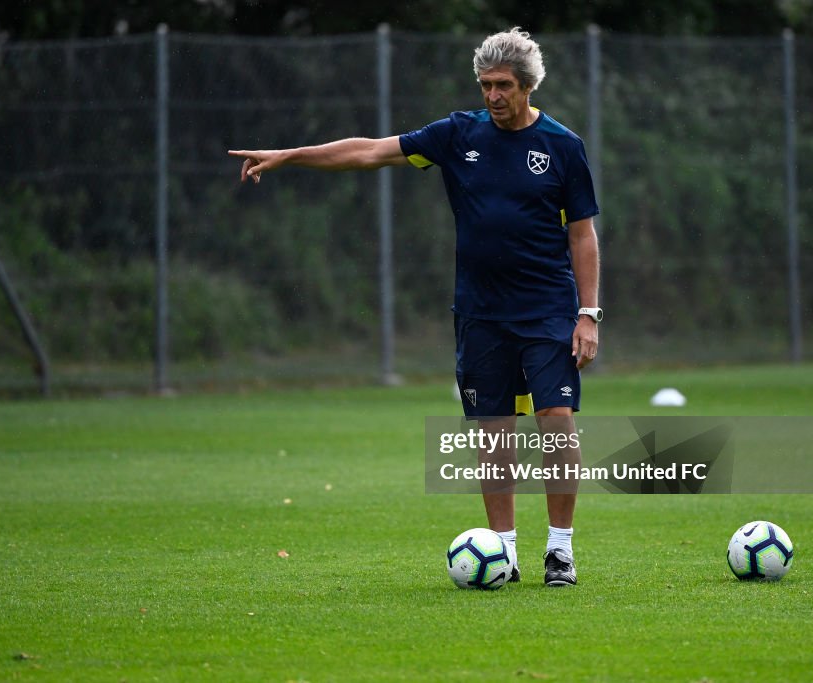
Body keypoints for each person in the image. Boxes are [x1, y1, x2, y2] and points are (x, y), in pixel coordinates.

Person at [228, 27, 600, 587]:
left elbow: (583, 236)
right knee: (493, 432)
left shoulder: (562, 146)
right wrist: (290, 156)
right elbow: (369, 152)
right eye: (485, 85)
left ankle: (560, 550)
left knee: (555, 421)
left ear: (528, 86)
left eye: (503, 86)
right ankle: (501, 550)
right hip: (479, 312)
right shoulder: (458, 133)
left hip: (548, 308)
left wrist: (588, 314)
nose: (492, 96)